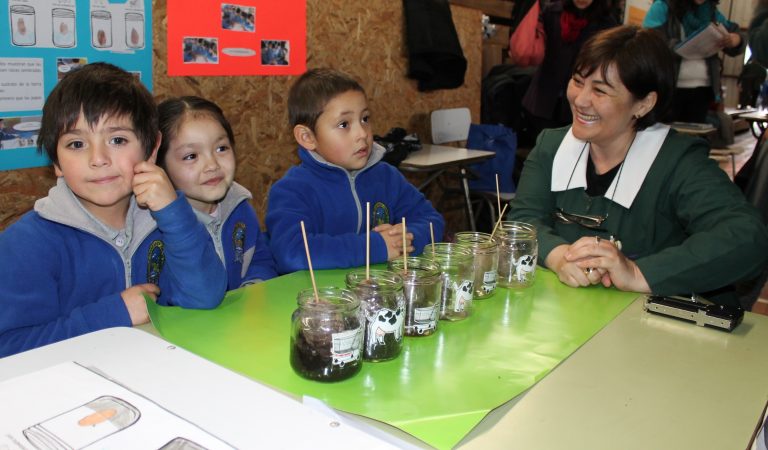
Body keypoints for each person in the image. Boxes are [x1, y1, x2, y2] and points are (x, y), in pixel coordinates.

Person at [508, 26, 768, 307]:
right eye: (578, 81)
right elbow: (523, 219)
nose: (580, 100)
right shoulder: (551, 146)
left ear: (644, 104)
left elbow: (747, 237)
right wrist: (559, 256)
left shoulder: (677, 161)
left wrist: (637, 273)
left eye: (600, 90)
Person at [0, 63, 227, 357]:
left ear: (152, 148)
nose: (98, 159)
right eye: (76, 144)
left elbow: (206, 296)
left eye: (117, 140)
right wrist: (115, 314)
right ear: (56, 161)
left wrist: (174, 214)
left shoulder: (168, 220)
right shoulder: (25, 245)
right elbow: (10, 349)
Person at [266, 68, 445, 273]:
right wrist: (375, 247)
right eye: (344, 124)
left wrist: (405, 239)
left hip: (380, 289)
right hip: (321, 294)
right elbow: (292, 253)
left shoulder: (387, 177)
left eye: (365, 119)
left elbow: (432, 221)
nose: (362, 133)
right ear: (307, 137)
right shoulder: (292, 191)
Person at [157, 96, 278, 288]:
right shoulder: (158, 228)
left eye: (221, 148)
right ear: (160, 166)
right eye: (191, 156)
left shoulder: (240, 207)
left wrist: (253, 286)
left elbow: (260, 260)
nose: (212, 165)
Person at [522, 0, 617, 140]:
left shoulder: (607, 23)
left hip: (579, 100)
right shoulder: (552, 12)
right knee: (542, 142)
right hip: (544, 95)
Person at [643, 0, 745, 124]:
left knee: (695, 134)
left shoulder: (711, 12)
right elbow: (648, 40)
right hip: (669, 89)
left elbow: (735, 33)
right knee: (664, 132)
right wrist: (677, 46)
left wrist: (737, 40)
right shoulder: (663, 7)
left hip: (703, 90)